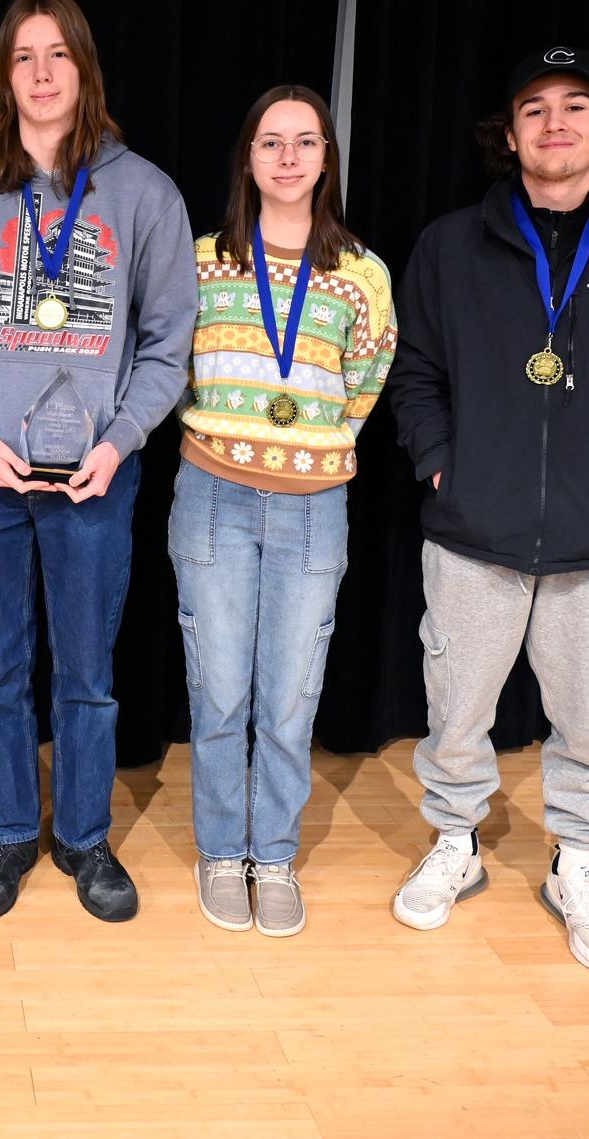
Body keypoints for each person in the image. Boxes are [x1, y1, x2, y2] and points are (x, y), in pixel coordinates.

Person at [388, 46, 589, 971]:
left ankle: (574, 862)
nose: (556, 124)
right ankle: (455, 844)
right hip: (472, 535)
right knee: (457, 709)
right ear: (510, 133)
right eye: (534, 109)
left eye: (577, 106)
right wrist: (442, 465)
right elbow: (412, 371)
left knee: (588, 718)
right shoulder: (453, 245)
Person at [0, 0, 196, 924]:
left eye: (58, 55)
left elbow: (166, 344)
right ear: (5, 76)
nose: (41, 73)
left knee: (87, 671)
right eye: (23, 56)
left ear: (84, 70)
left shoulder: (144, 192)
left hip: (96, 478)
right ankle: (5, 833)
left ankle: (80, 834)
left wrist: (120, 444)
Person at [170, 85, 396, 936]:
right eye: (272, 142)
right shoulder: (201, 260)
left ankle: (276, 853)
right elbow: (176, 367)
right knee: (220, 688)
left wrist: (310, 450)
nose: (289, 157)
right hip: (214, 496)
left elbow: (366, 383)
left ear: (326, 159)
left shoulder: (362, 274)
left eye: (306, 142)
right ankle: (222, 851)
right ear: (249, 158)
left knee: (291, 697)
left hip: (313, 508)